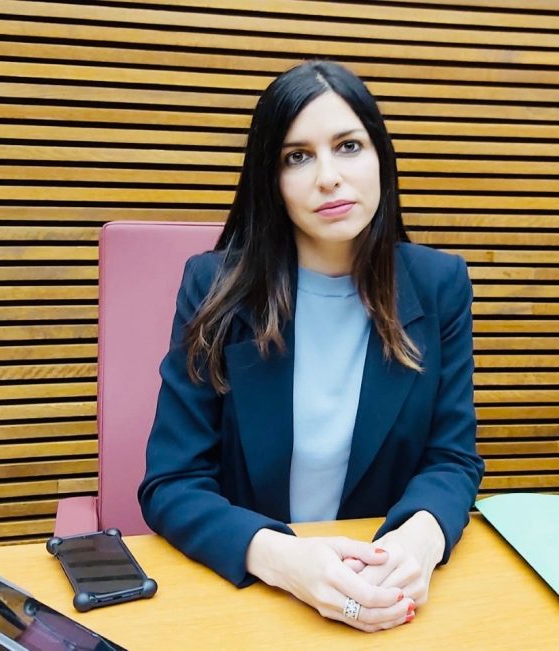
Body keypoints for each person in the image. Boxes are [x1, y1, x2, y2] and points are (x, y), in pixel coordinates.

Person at [138, 60, 483, 633]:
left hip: (387, 594)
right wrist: (283, 559)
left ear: (380, 158)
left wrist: (420, 539)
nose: (328, 177)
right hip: (254, 601)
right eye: (297, 156)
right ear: (271, 180)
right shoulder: (213, 284)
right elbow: (171, 484)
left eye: (348, 146)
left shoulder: (439, 284)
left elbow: (452, 458)